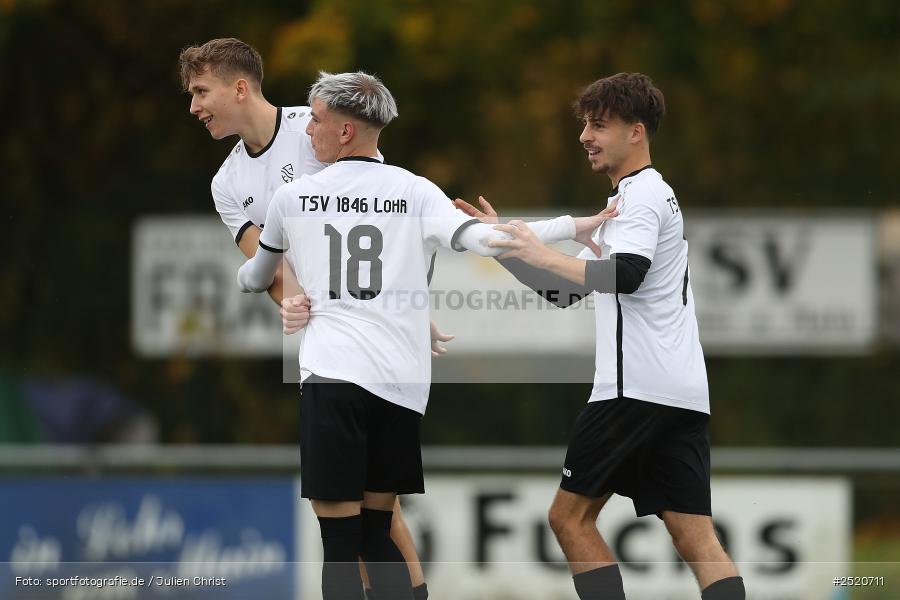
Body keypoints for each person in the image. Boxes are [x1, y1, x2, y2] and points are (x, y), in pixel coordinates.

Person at [238, 70, 614, 600]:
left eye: (317, 122)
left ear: (346, 131)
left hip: (333, 379)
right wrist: (574, 226)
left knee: (340, 541)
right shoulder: (415, 191)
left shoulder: (292, 197)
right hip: (400, 386)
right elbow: (488, 241)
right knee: (377, 530)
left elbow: (257, 276)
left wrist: (257, 280)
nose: (308, 133)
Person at [454, 73, 745, 600]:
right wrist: (508, 251)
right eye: (585, 124)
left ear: (637, 132)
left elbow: (627, 275)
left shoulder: (640, 195)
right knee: (694, 534)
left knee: (569, 519)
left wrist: (543, 252)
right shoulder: (633, 203)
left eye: (599, 125)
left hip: (632, 390)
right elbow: (565, 291)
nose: (586, 135)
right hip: (680, 392)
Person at [178, 38, 447, 598]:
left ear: (240, 87)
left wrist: (408, 309)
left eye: (201, 92)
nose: (194, 106)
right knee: (363, 521)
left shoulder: (318, 122)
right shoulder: (227, 184)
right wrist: (293, 301)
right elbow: (267, 263)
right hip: (329, 350)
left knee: (375, 519)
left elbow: (391, 212)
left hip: (374, 348)